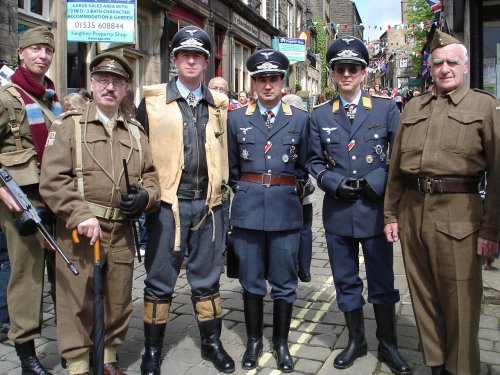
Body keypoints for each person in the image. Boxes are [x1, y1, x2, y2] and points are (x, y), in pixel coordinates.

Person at [384, 30, 500, 375]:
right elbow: (395, 169)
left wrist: (491, 229)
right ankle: (436, 365)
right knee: (423, 296)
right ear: (430, 69)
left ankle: (462, 369)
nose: (445, 68)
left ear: (464, 67)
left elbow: (498, 173)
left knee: (461, 301)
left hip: (461, 214)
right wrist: (391, 213)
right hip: (414, 211)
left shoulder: (484, 106)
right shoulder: (414, 107)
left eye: (452, 62)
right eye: (438, 63)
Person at [39, 52, 160, 375]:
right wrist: (79, 213)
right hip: (79, 230)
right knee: (75, 299)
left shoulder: (135, 132)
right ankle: (77, 363)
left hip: (121, 230)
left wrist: (145, 197)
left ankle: (108, 357)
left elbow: (151, 176)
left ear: (125, 89)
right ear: (91, 84)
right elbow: (51, 181)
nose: (110, 88)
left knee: (119, 298)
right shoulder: (69, 127)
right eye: (103, 81)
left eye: (117, 82)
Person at [307, 36, 411, 375]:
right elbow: (312, 160)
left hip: (376, 211)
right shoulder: (320, 114)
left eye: (353, 68)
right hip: (339, 212)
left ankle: (389, 344)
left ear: (364, 72)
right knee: (346, 281)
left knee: (382, 280)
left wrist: (375, 182)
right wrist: (335, 183)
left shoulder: (385, 108)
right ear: (333, 74)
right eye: (340, 68)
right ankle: (356, 341)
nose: (347, 73)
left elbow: (399, 155)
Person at [136, 25, 235, 375]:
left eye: (198, 56)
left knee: (207, 280)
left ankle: (212, 344)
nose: (191, 60)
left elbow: (229, 155)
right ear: (174, 60)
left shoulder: (220, 104)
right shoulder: (150, 102)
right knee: (159, 280)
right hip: (167, 206)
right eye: (184, 54)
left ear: (206, 63)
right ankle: (152, 351)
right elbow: (137, 153)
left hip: (209, 207)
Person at [227, 49, 309, 372]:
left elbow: (304, 167)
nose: (268, 85)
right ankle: (254, 341)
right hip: (247, 211)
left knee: (285, 282)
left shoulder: (300, 120)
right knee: (251, 281)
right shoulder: (237, 118)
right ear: (253, 83)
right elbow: (232, 168)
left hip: (285, 211)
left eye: (274, 78)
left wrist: (286, 188)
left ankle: (281, 343)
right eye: (261, 79)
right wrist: (248, 190)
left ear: (283, 83)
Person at [0, 25, 61, 374]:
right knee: (27, 276)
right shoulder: (9, 96)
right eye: (35, 49)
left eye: (48, 51)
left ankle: (69, 342)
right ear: (21, 53)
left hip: (53, 195)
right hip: (21, 200)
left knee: (62, 273)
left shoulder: (50, 96)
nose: (42, 56)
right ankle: (26, 355)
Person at [281, 94, 314, 283]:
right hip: (301, 187)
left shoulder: (296, 123)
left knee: (299, 228)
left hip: (297, 187)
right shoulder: (305, 122)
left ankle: (297, 266)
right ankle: (304, 268)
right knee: (304, 229)